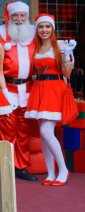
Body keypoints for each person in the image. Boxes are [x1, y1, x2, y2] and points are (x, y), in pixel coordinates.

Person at [24, 14, 77, 186]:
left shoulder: (60, 45)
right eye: (41, 27)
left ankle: (63, 169)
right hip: (39, 90)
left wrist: (68, 56)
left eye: (47, 27)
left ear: (52, 28)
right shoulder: (36, 48)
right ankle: (50, 173)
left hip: (55, 90)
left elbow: (67, 73)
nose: (44, 30)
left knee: (47, 131)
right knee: (44, 134)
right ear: (37, 29)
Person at [0, 1, 39, 181]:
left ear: (26, 16)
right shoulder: (1, 34)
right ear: (9, 17)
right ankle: (3, 168)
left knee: (24, 131)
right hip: (7, 88)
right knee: (6, 130)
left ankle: (20, 167)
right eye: (15, 16)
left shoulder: (34, 34)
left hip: (28, 90)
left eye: (22, 16)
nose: (19, 19)